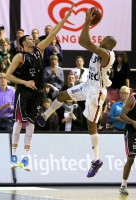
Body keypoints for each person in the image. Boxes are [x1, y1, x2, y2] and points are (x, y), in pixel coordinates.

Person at [36, 8, 117, 178]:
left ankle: (96, 160)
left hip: (97, 92)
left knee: (91, 125)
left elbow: (85, 43)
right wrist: (87, 24)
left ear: (108, 45)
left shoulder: (107, 54)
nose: (100, 41)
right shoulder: (99, 50)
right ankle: (45, 115)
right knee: (61, 95)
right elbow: (82, 41)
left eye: (103, 41)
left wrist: (87, 22)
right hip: (88, 85)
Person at [5, 5, 74, 171]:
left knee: (31, 124)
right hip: (23, 90)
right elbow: (8, 75)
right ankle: (13, 156)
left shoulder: (39, 50)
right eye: (29, 39)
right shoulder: (20, 56)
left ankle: (26, 159)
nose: (32, 39)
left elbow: (53, 33)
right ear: (23, 43)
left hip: (36, 91)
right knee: (18, 122)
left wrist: (65, 18)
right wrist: (25, 82)